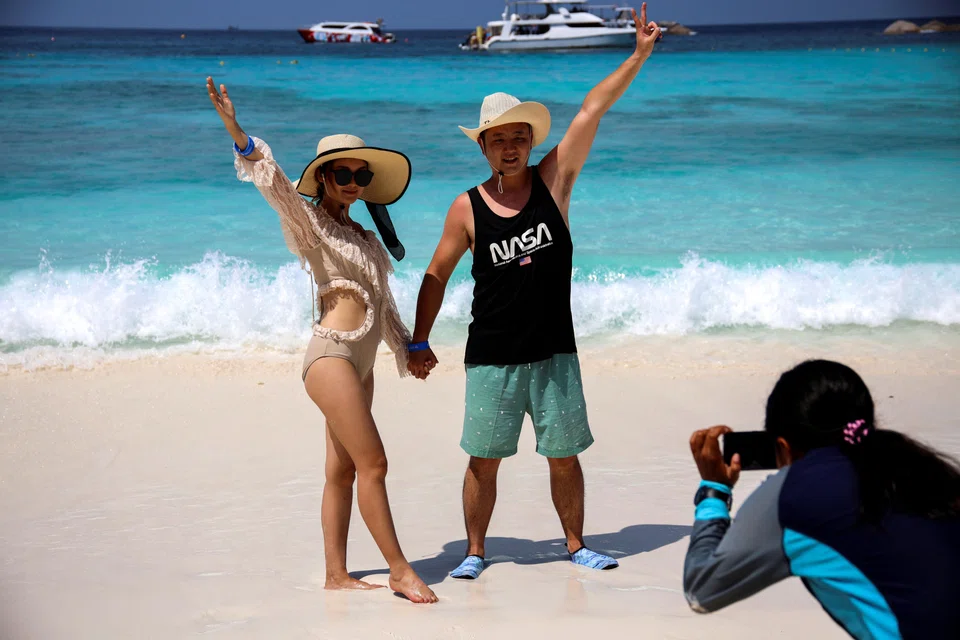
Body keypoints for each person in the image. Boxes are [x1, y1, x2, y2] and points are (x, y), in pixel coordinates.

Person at [405, 4, 663, 579]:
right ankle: (475, 552)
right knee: (483, 460)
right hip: (492, 357)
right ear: (485, 147)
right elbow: (436, 274)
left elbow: (592, 110)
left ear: (529, 143)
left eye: (520, 138)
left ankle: (576, 545)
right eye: (500, 140)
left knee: (564, 456)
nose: (511, 147)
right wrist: (418, 342)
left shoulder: (554, 183)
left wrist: (638, 55)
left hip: (554, 351)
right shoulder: (465, 208)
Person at [205, 77, 437, 604]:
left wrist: (410, 348)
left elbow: (381, 302)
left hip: (364, 361)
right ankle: (400, 570)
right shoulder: (307, 223)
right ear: (325, 177)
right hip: (330, 355)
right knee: (375, 463)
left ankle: (336, 574)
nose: (353, 181)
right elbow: (273, 185)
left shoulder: (367, 238)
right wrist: (237, 131)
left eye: (361, 174)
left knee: (344, 469)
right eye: (344, 173)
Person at [684, 360, 960, 638]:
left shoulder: (794, 493)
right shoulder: (923, 469)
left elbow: (702, 589)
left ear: (782, 446)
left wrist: (714, 491)